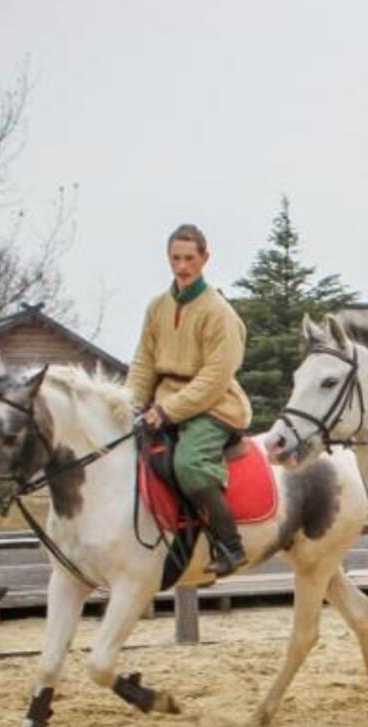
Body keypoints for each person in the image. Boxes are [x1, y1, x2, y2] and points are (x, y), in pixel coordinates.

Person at [125, 224, 253, 576]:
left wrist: (167, 411)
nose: (182, 267)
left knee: (189, 464)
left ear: (205, 258)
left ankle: (230, 545)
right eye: (175, 258)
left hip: (214, 405)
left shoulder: (220, 313)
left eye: (189, 258)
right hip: (164, 403)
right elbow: (144, 362)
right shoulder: (157, 307)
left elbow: (215, 378)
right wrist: (129, 404)